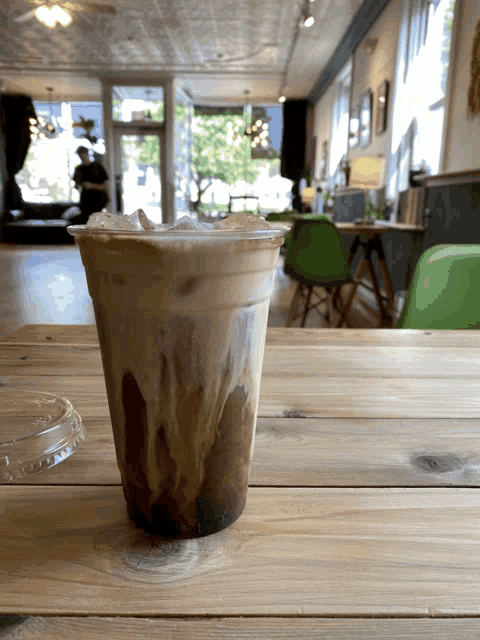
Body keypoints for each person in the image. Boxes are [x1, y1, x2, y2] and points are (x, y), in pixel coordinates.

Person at [73, 146, 110, 224]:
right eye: (80, 156)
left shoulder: (97, 167)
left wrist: (91, 186)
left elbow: (106, 187)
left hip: (98, 202)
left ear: (87, 154)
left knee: (97, 225)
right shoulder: (79, 169)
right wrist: (78, 186)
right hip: (85, 204)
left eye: (83, 155)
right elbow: (76, 185)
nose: (82, 157)